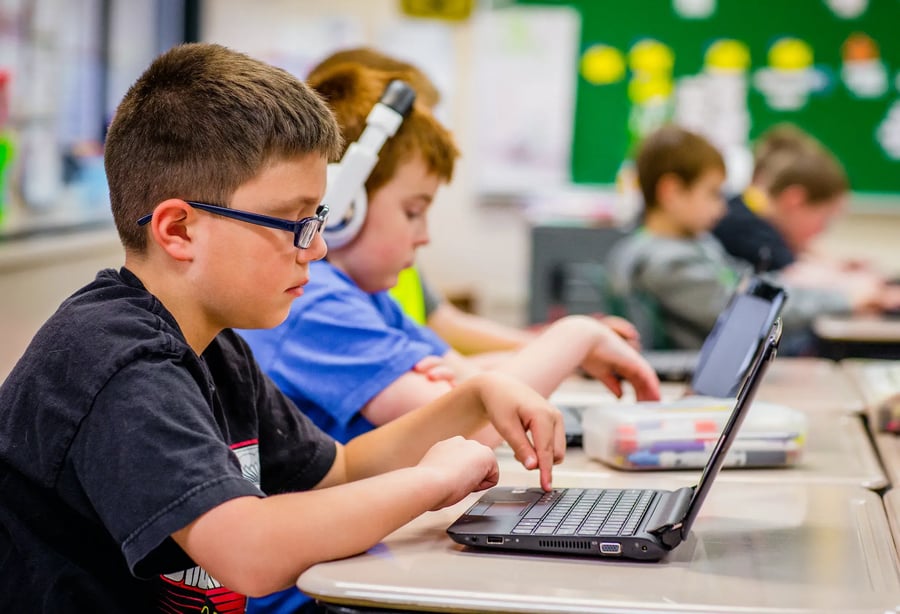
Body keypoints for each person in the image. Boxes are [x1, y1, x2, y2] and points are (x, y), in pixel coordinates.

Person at [0, 43, 570, 613]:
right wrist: (432, 483)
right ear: (179, 230)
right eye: (294, 223)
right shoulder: (116, 360)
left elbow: (337, 471)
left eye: (317, 220)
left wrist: (473, 398)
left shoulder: (217, 348)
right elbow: (248, 551)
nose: (318, 248)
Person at [237, 62, 659, 443]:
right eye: (413, 212)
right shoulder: (314, 302)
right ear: (345, 206)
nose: (424, 237)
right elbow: (476, 427)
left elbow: (465, 381)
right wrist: (576, 338)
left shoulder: (370, 298)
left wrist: (467, 385)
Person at [306, 47, 642, 360]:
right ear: (345, 197)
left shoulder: (378, 272)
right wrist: (566, 347)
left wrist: (563, 345)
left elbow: (442, 332)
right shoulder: (323, 297)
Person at [606, 124, 900, 352]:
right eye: (712, 194)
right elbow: (747, 313)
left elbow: (757, 289)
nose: (723, 207)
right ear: (671, 191)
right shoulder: (667, 261)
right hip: (710, 381)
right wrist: (843, 299)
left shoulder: (692, 243)